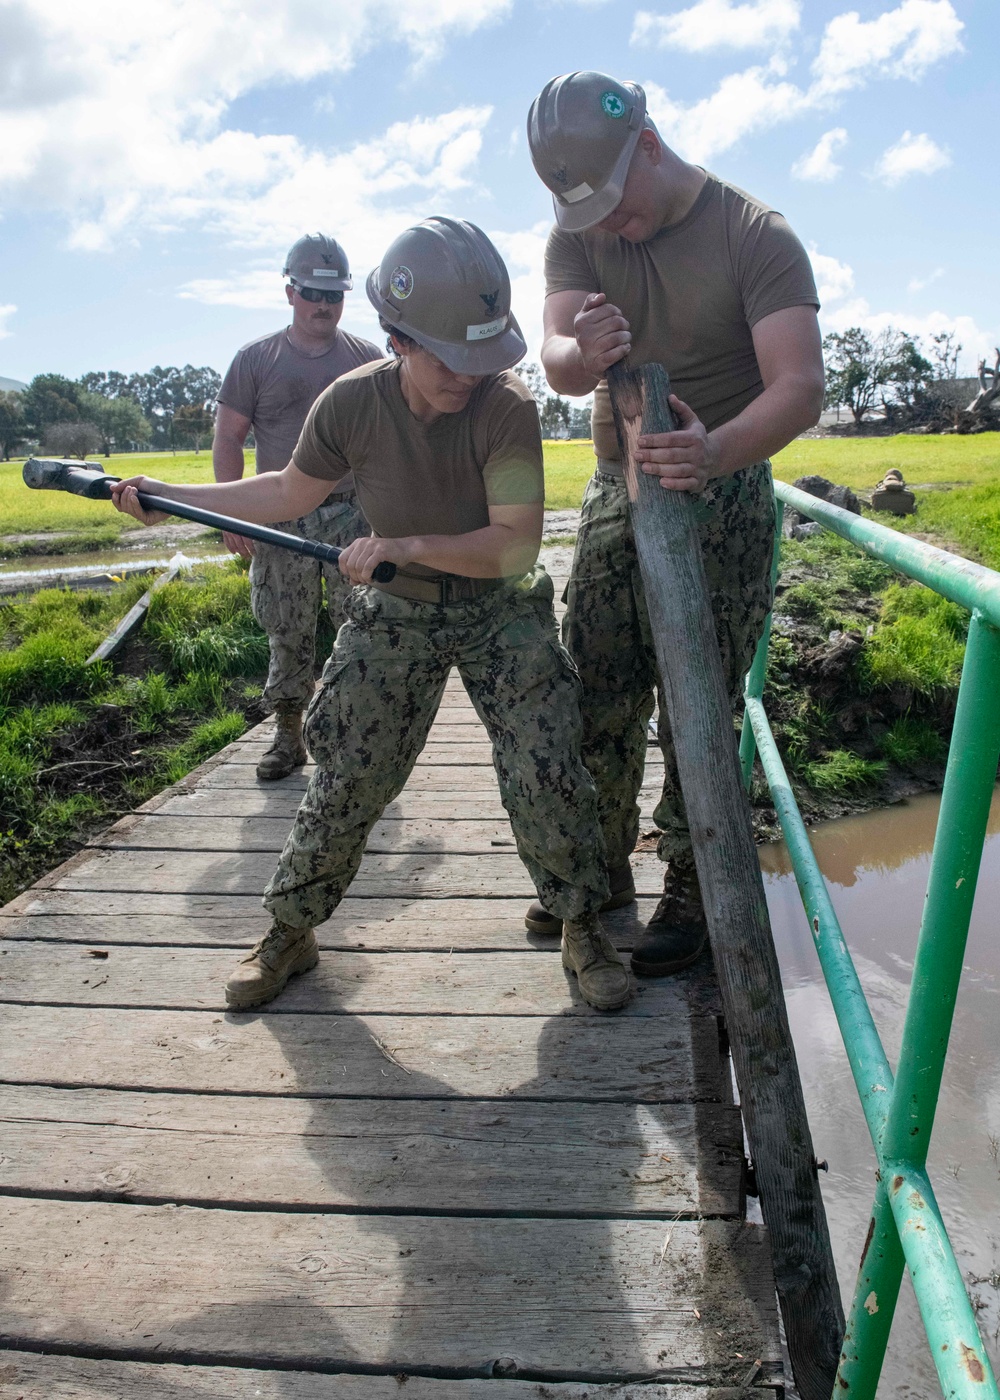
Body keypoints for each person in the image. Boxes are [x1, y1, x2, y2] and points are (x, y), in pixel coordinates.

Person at [111, 217, 632, 1016]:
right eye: (453, 358)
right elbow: (287, 493)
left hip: (499, 610)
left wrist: (404, 542)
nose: (472, 375)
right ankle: (291, 930)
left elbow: (516, 547)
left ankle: (579, 924)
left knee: (546, 761)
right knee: (348, 769)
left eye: (485, 357)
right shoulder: (350, 405)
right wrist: (170, 500)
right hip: (397, 611)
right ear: (398, 341)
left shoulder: (506, 408)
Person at [525, 71, 824, 976]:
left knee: (701, 697)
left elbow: (801, 386)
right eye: (591, 218)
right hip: (618, 489)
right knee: (602, 682)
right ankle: (597, 870)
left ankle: (692, 887)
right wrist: (585, 352)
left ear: (647, 142)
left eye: (617, 206)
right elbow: (556, 362)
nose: (609, 229)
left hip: (722, 493)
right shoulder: (577, 236)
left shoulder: (755, 235)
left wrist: (714, 454)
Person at [214, 233, 382, 780]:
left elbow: (392, 442)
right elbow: (228, 438)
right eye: (312, 291)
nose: (323, 304)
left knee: (359, 621)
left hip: (349, 513)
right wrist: (231, 516)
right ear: (290, 292)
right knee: (285, 625)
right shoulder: (255, 360)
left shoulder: (367, 361)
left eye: (333, 294)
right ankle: (288, 733)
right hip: (278, 513)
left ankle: (355, 732)